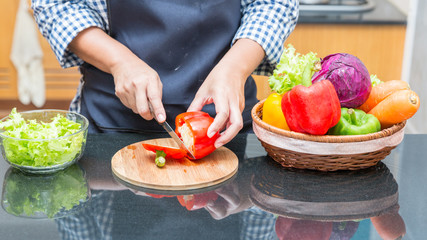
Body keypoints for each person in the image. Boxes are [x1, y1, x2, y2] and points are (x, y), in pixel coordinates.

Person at [31, 0, 299, 148]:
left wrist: (235, 68)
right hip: (109, 128)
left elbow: (275, 5)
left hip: (226, 134)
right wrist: (119, 62)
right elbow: (57, 5)